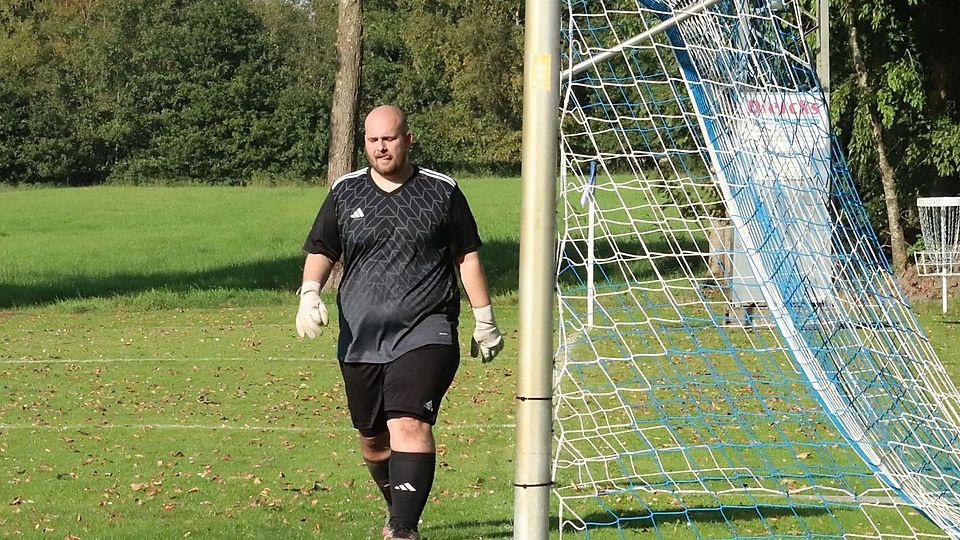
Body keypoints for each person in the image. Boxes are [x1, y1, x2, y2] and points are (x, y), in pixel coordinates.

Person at [295, 104, 504, 540]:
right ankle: (398, 510)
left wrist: (484, 317)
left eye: (389, 138)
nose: (381, 147)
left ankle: (404, 529)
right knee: (373, 440)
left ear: (408, 139)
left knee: (409, 422)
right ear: (364, 143)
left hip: (427, 328)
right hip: (361, 336)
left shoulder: (441, 191)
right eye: (373, 140)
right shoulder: (345, 191)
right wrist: (310, 292)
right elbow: (322, 249)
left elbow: (466, 257)